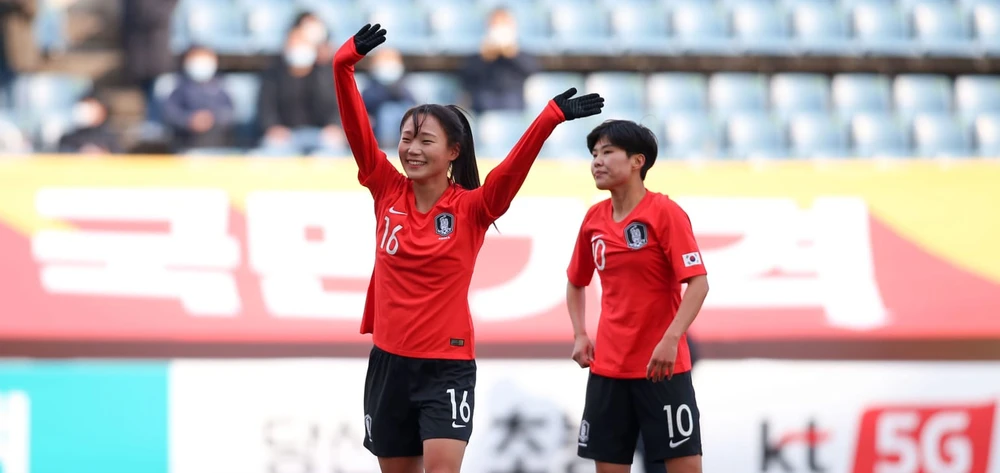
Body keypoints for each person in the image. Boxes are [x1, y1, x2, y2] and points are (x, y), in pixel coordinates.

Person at [334, 23, 604, 473]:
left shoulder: (472, 208)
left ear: (454, 152)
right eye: (406, 139)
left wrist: (548, 118)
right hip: (389, 364)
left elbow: (510, 172)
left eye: (425, 141)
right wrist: (342, 65)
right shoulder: (385, 189)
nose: (412, 149)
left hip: (447, 365)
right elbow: (356, 127)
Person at [566, 120, 709, 473]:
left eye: (607, 152)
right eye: (594, 154)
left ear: (637, 161)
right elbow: (575, 281)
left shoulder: (665, 212)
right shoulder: (593, 219)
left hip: (661, 368)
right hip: (608, 368)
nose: (597, 161)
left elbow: (698, 283)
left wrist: (671, 339)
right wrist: (580, 333)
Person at [162, 45, 235, 152]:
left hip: (217, 146)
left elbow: (229, 113)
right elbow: (171, 114)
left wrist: (211, 119)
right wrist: (189, 120)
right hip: (185, 147)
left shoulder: (220, 87)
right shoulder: (179, 88)